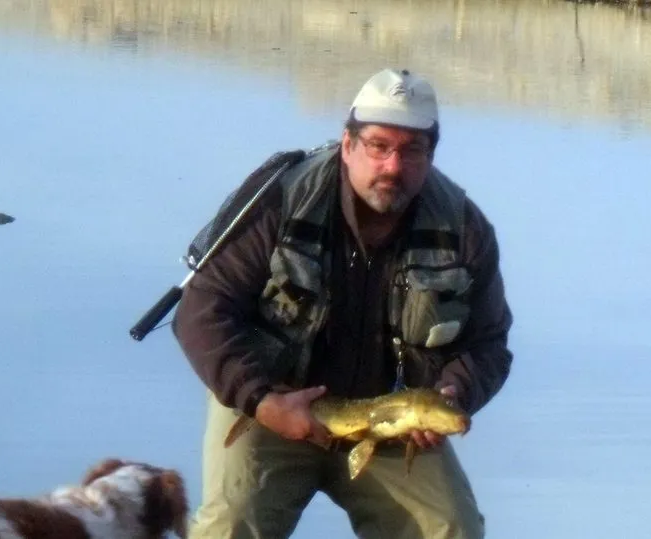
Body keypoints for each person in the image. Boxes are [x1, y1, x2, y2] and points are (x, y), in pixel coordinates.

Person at [172, 67, 514, 539]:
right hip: (270, 405)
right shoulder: (280, 199)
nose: (393, 166)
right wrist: (261, 400)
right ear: (348, 143)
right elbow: (201, 312)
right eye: (379, 145)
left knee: (451, 528)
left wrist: (453, 393)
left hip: (391, 424)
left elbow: (490, 344)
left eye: (412, 150)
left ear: (431, 155)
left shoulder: (465, 229)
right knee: (231, 526)